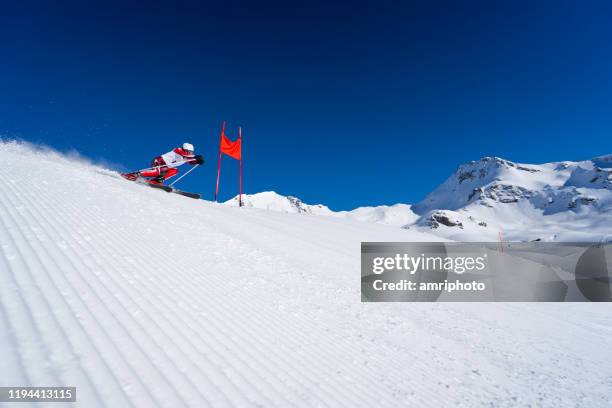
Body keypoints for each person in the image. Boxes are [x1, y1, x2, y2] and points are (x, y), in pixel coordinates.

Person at [124, 142, 204, 185]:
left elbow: (191, 162)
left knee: (175, 171)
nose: (189, 153)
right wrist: (195, 156)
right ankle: (133, 175)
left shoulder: (188, 156)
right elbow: (185, 155)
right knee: (156, 172)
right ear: (184, 149)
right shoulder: (178, 150)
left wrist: (197, 161)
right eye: (188, 151)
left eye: (191, 152)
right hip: (160, 161)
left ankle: (156, 181)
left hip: (167, 167)